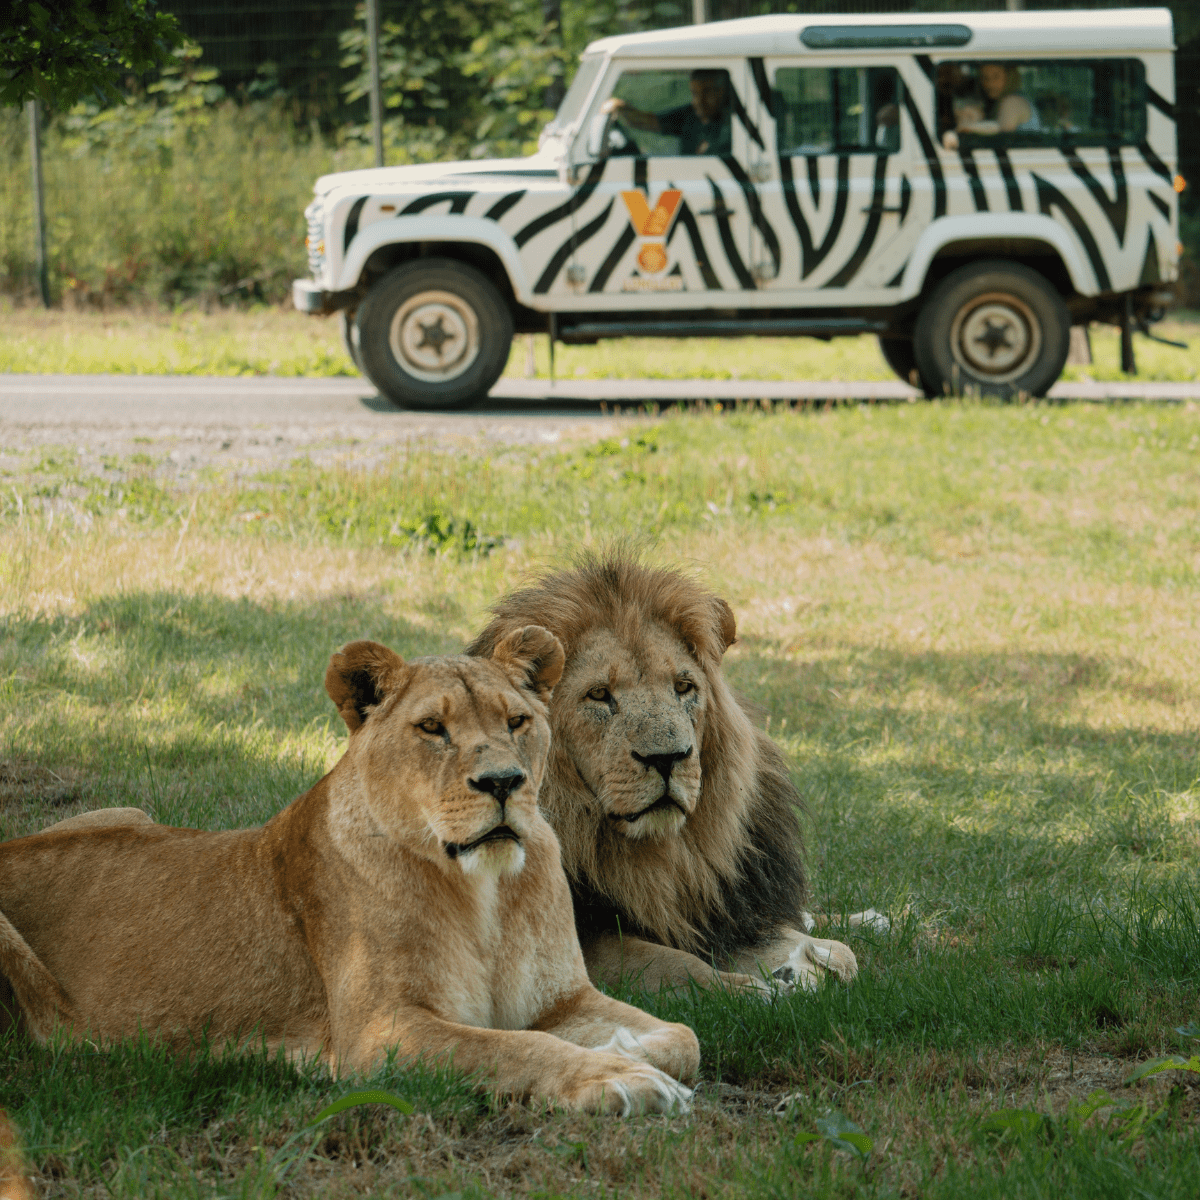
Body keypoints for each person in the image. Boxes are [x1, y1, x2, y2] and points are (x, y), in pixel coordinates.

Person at [601, 69, 732, 156]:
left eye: (707, 92)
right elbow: (649, 122)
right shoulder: (690, 116)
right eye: (695, 94)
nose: (699, 101)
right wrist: (618, 106)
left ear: (722, 92)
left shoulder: (733, 124)